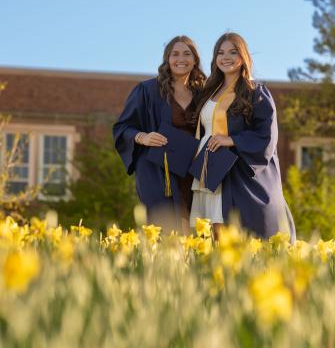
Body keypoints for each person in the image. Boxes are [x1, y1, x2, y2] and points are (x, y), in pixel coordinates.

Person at [190, 32, 295, 241]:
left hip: (232, 167)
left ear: (243, 56)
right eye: (220, 52)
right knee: (208, 228)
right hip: (207, 167)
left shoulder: (255, 91)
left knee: (228, 225)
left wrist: (232, 140)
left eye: (232, 51)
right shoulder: (210, 91)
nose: (225, 57)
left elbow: (267, 134)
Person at [113, 35, 205, 234]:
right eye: (175, 54)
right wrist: (143, 137)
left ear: (195, 59)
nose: (181, 59)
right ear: (167, 59)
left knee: (193, 232)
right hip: (158, 170)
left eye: (187, 54)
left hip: (192, 171)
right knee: (162, 231)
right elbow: (122, 128)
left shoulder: (204, 94)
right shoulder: (147, 90)